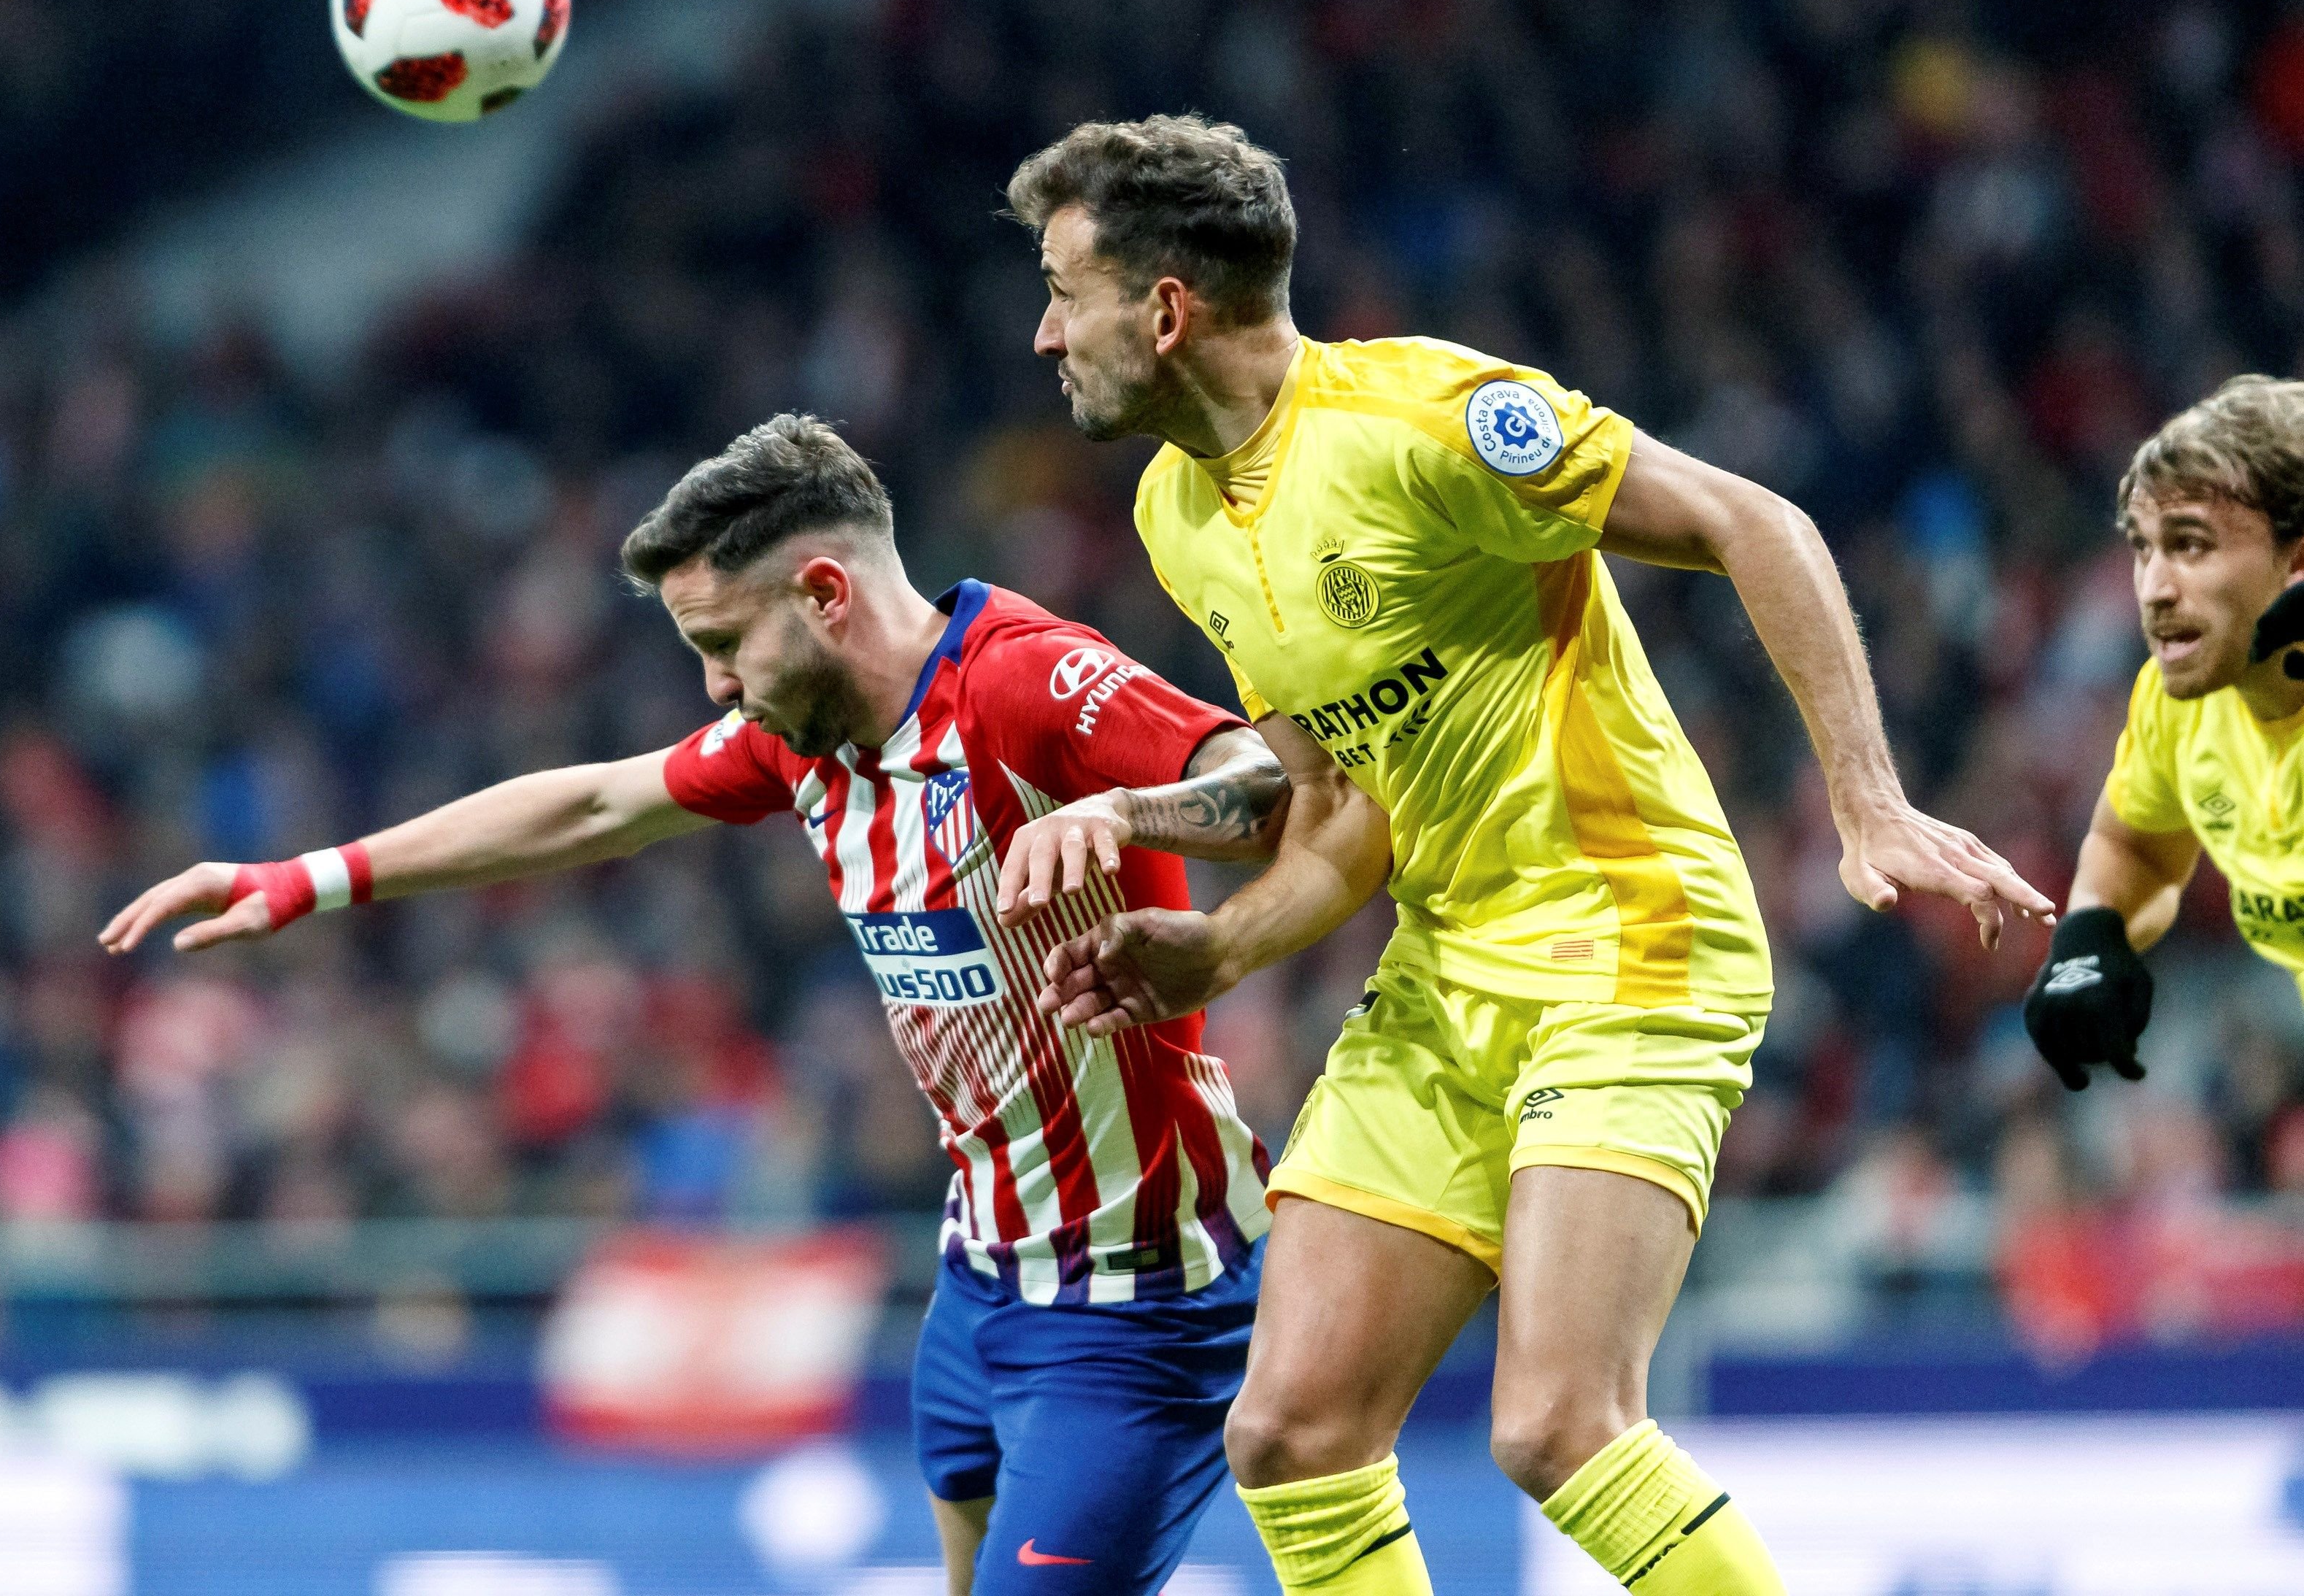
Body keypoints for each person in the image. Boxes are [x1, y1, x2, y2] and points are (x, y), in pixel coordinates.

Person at [990, 116, 2054, 1596]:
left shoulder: (1422, 422)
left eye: (1061, 289)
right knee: (1292, 1432)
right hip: (1449, 973)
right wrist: (1223, 947)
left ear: (1162, 309)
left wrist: (1865, 801)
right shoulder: (1178, 515)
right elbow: (1339, 804)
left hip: (1628, 935)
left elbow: (1753, 522)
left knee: (1558, 1424)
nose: (1042, 333)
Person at [101, 415, 1300, 1596]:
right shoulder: (804, 742)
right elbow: (593, 807)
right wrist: (303, 879)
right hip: (980, 1271)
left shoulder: (1022, 682)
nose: (716, 683)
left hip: (1141, 1298)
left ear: (826, 593)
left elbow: (1257, 784)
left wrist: (1119, 814)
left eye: (725, 641)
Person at [2022, 376, 2304, 1091]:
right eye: (2145, 549)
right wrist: (2092, 933)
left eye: (2192, 546)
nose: (2153, 588)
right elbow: (2134, 845)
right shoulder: (2180, 704)